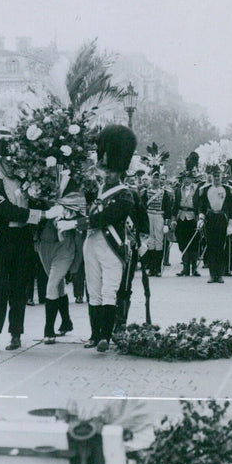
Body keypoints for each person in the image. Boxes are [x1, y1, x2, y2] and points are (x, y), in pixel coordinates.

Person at [0, 138, 62, 352]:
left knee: (20, 288)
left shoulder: (26, 183)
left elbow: (38, 200)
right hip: (3, 236)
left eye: (14, 161)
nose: (11, 165)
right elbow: (7, 211)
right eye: (7, 161)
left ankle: (16, 333)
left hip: (24, 238)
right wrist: (42, 215)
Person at [77, 125, 137, 352]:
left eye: (113, 170)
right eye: (106, 169)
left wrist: (88, 222)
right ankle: (94, 335)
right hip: (92, 243)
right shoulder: (96, 189)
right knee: (93, 289)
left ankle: (105, 336)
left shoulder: (125, 194)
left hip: (112, 245)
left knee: (109, 290)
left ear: (121, 171)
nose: (108, 173)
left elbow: (110, 215)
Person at [36, 174, 86, 344]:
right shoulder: (39, 184)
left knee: (52, 284)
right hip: (45, 243)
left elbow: (80, 213)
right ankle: (66, 321)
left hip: (65, 244)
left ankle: (48, 329)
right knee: (57, 284)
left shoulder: (75, 187)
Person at [196, 164, 232, 284]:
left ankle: (220, 274)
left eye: (218, 175)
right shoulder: (206, 189)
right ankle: (212, 274)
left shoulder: (228, 189)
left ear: (222, 176)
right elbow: (201, 207)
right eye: (214, 176)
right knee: (211, 246)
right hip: (210, 219)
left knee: (221, 247)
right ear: (211, 176)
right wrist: (201, 218)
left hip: (222, 219)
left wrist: (231, 224)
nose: (216, 178)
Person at [140, 169, 173, 276]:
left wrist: (166, 223)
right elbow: (142, 207)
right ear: (151, 178)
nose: (156, 180)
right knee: (150, 241)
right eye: (154, 177)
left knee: (159, 241)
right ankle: (151, 267)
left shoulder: (165, 193)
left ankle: (158, 268)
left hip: (159, 215)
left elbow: (168, 209)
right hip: (149, 215)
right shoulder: (145, 192)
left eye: (157, 178)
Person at [172, 171, 201, 277]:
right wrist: (173, 219)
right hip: (181, 217)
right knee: (182, 242)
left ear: (192, 179)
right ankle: (185, 268)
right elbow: (175, 205)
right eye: (184, 178)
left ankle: (194, 268)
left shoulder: (198, 190)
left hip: (193, 218)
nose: (186, 180)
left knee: (194, 243)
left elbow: (200, 205)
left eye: (188, 178)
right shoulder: (178, 190)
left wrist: (200, 219)